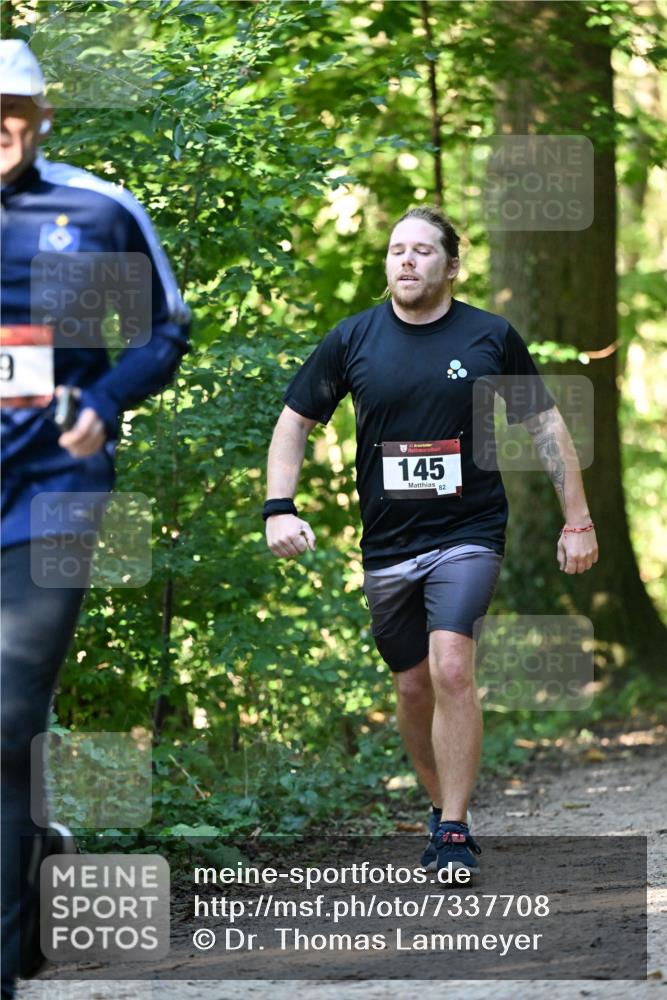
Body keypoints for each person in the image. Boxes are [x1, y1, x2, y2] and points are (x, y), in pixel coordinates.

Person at [264, 204, 598, 876]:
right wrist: (278, 507)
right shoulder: (353, 339)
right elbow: (295, 422)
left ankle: (450, 828)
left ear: (451, 266)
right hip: (388, 543)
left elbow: (544, 428)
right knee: (413, 686)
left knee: (450, 667)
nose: (406, 260)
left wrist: (577, 519)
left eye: (421, 250)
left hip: (467, 531)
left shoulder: (489, 336)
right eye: (395, 250)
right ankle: (444, 806)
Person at [0, 40, 190, 998]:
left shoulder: (93, 210)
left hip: (51, 494)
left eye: (13, 108)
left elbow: (165, 330)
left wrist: (104, 403)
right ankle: (35, 858)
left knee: (3, 712)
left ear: (41, 118)